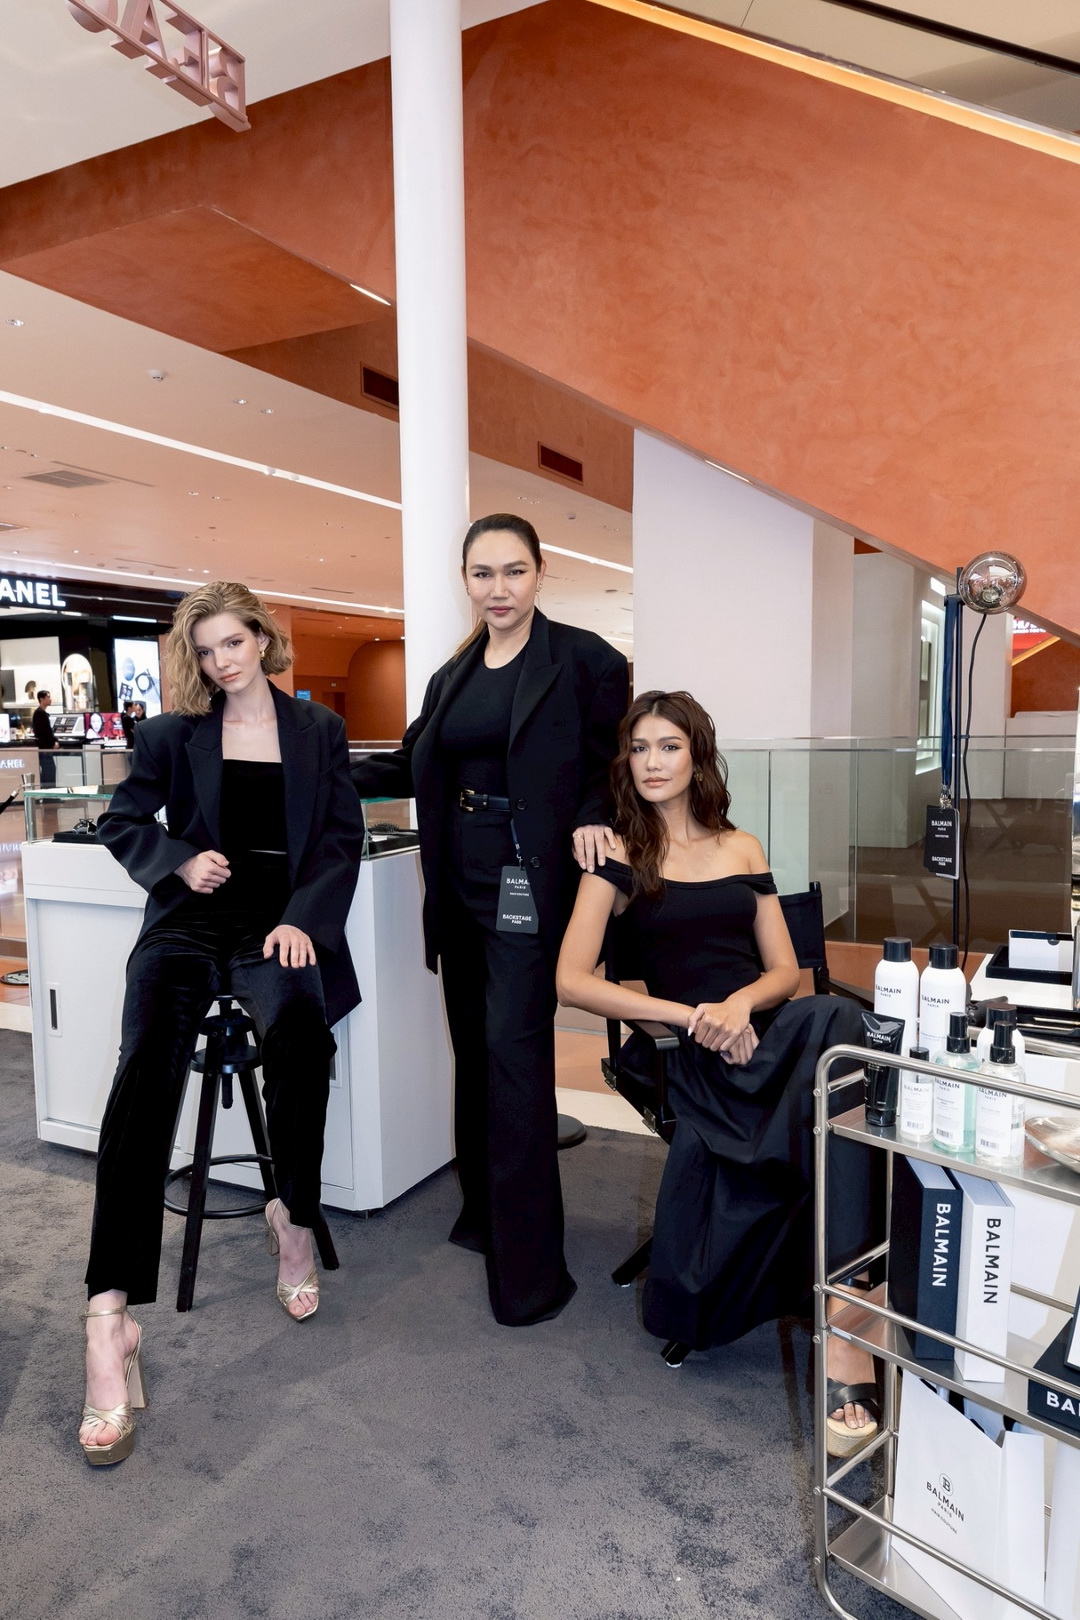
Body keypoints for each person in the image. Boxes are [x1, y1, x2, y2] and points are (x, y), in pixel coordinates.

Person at [78, 581, 366, 1466]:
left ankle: (294, 1218)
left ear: (262, 640)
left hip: (279, 920)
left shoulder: (317, 730)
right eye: (204, 650)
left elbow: (339, 840)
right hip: (188, 922)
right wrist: (177, 859)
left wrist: (304, 919)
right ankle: (108, 1318)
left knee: (301, 1035)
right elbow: (123, 821)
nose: (220, 661)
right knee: (144, 1068)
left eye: (233, 642)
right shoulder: (172, 734)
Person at [555, 690, 881, 1456]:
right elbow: (570, 980)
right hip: (688, 1049)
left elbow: (786, 972)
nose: (652, 762)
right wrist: (694, 1016)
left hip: (765, 1031)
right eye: (640, 748)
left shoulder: (742, 847)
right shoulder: (618, 856)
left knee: (836, 1024)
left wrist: (738, 1005)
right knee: (839, 1078)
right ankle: (853, 1302)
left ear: (697, 755)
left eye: (669, 746)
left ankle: (848, 1318)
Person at [351, 514, 628, 1327]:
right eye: (483, 573)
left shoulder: (586, 660)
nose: (498, 589)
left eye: (513, 571)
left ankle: (530, 1274)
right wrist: (309, 769)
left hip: (529, 880)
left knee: (513, 1059)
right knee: (473, 1052)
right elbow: (409, 763)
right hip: (459, 881)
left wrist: (594, 813)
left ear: (540, 573)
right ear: (465, 580)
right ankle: (485, 1217)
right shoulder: (453, 675)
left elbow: (613, 763)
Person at [30, 688, 57, 785]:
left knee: (49, 771)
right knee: (49, 771)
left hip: (45, 748)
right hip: (44, 748)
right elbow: (45, 732)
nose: (50, 699)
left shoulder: (41, 713)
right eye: (48, 697)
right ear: (42, 699)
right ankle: (49, 791)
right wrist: (53, 742)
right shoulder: (39, 714)